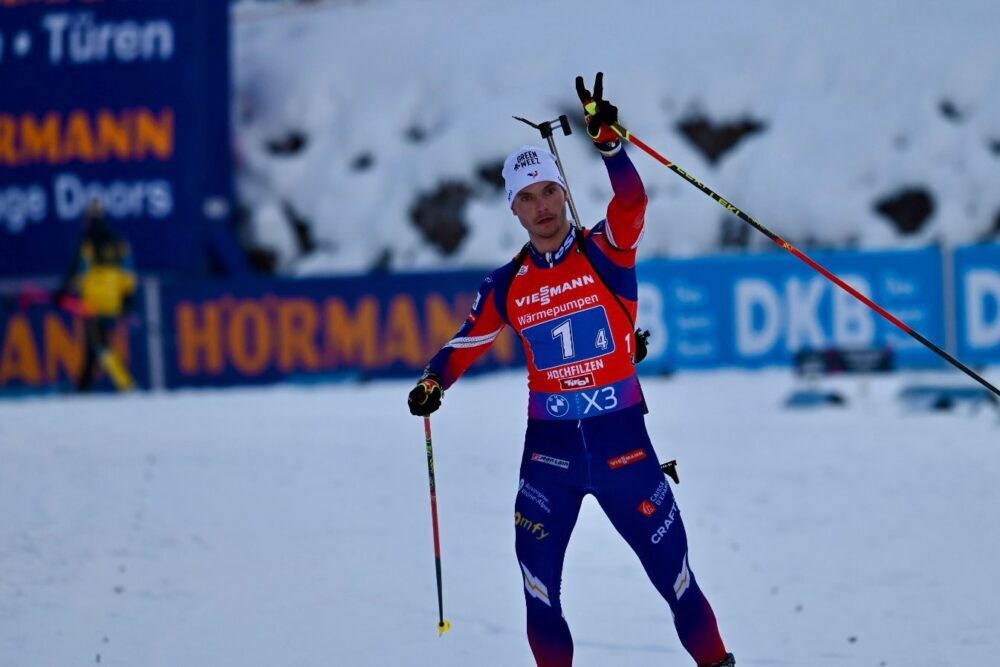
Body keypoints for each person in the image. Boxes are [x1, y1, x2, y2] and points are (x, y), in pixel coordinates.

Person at [407, 74, 735, 667]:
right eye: (526, 198)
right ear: (513, 208)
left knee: (679, 584)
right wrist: (433, 381)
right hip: (548, 461)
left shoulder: (606, 252)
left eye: (548, 192)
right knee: (539, 599)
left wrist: (612, 148)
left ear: (563, 193)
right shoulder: (506, 285)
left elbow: (632, 203)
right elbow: (466, 342)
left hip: (624, 451)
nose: (541, 207)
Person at [58, 199, 137, 391]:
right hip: (114, 301)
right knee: (94, 344)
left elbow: (79, 270)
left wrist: (63, 292)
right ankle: (83, 386)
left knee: (99, 344)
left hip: (93, 302)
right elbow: (129, 274)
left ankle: (126, 383)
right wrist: (128, 300)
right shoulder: (119, 242)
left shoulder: (88, 242)